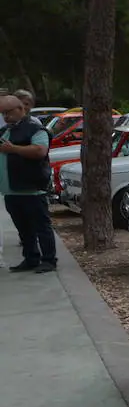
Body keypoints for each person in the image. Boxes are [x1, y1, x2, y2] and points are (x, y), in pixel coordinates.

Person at [0, 94, 56, 273]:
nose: (6, 117)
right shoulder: (6, 130)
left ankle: (48, 260)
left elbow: (40, 151)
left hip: (31, 189)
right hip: (12, 190)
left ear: (21, 109)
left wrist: (13, 149)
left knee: (41, 227)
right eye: (3, 114)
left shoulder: (34, 129)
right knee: (23, 229)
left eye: (8, 112)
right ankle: (30, 258)